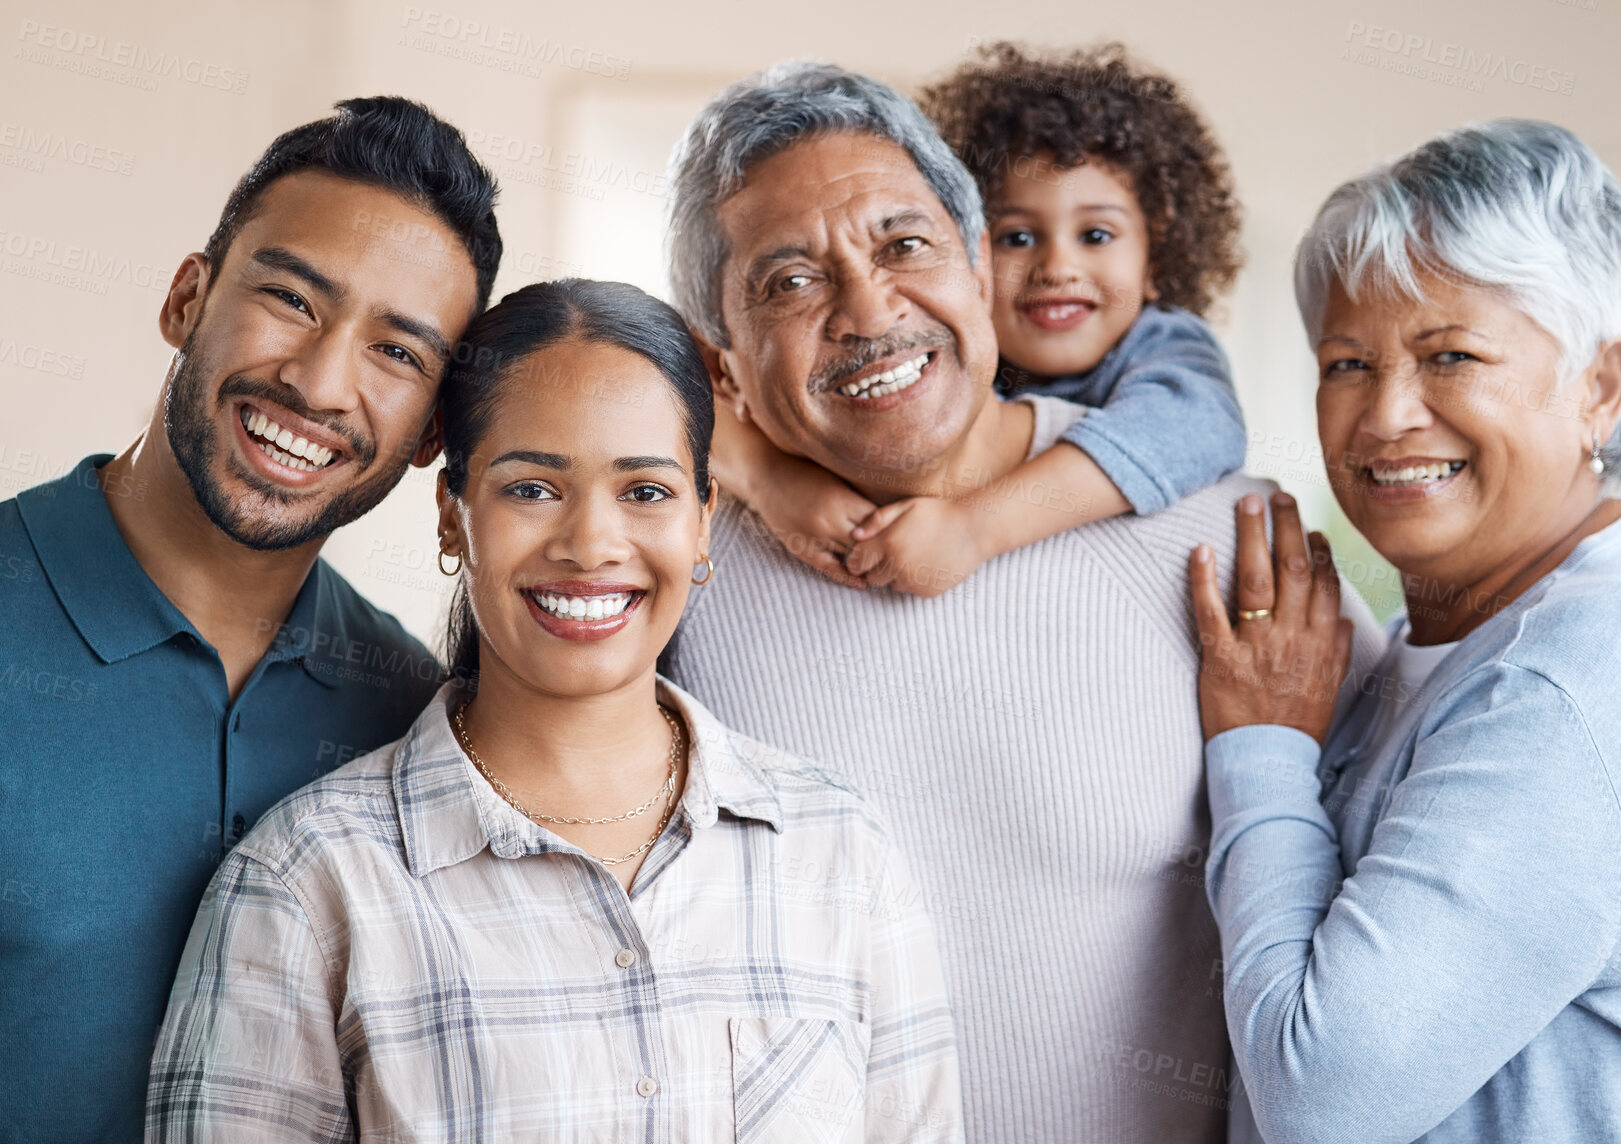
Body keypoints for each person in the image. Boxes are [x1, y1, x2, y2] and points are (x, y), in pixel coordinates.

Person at [660, 62, 1385, 1143]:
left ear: (971, 271)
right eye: (788, 281)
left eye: (905, 245)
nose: (869, 309)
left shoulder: (1231, 544)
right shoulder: (666, 578)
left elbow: (1393, 958)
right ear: (719, 357)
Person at [147, 279, 962, 1143]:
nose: (590, 545)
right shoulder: (309, 882)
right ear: (453, 518)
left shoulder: (838, 848)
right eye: (531, 488)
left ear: (701, 523)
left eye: (645, 491)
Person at [1189, 120, 1621, 1143]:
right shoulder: (1450, 631)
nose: (1385, 414)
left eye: (1450, 356)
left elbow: (1320, 1103)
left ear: (1599, 387)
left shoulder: (1573, 685)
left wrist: (1261, 744)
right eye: (1346, 362)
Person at [0, 96, 499, 1141]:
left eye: (397, 354)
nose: (319, 382)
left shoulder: (413, 722)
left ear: (428, 438)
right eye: (291, 299)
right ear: (188, 297)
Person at [710, 42, 1247, 596]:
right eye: (1019, 237)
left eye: (1096, 236)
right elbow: (680, 388)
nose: (1058, 267)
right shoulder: (937, 353)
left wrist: (975, 528)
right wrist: (772, 479)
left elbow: (1197, 429)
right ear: (975, 262)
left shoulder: (1165, 345)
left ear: (1155, 261)